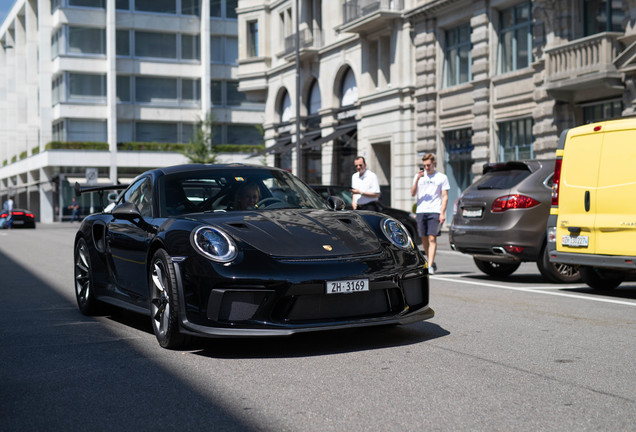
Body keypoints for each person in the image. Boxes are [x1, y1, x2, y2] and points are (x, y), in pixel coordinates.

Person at [411, 153, 450, 275]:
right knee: (424, 238)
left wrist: (442, 213)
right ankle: (430, 261)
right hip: (421, 210)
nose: (426, 168)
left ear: (434, 163)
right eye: (424, 165)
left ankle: (430, 265)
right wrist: (418, 178)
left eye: (428, 165)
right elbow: (412, 193)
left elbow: (444, 196)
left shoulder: (441, 177)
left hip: (435, 210)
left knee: (432, 237)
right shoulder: (419, 177)